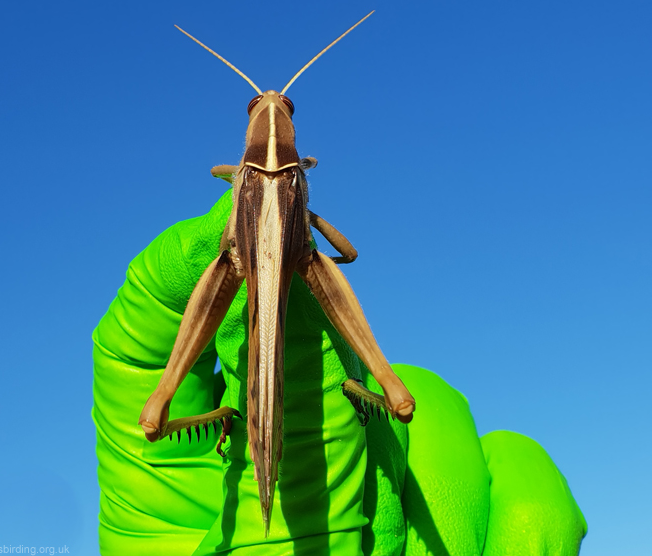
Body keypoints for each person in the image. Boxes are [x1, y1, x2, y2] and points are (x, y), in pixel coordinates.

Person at [93, 190, 587, 556]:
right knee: (157, 408)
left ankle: (246, 417)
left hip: (294, 273)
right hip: (243, 262)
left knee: (400, 393)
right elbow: (347, 254)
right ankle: (348, 403)